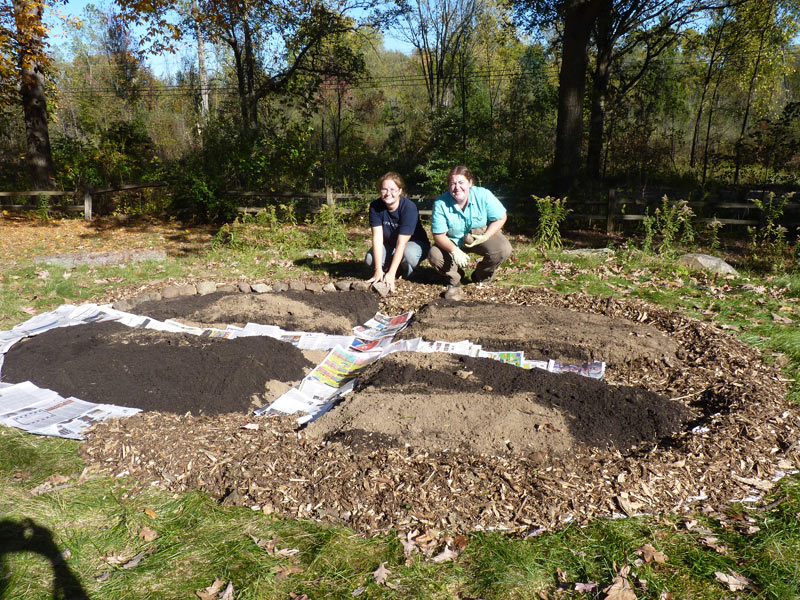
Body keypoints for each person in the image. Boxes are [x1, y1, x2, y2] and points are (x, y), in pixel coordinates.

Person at [429, 165, 512, 300]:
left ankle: (480, 277)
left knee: (503, 249)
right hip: (453, 240)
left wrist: (486, 235)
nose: (457, 187)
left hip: (478, 235)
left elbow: (501, 217)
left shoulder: (483, 195)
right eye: (452, 183)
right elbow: (438, 235)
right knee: (435, 255)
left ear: (470, 183)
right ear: (448, 186)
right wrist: (454, 250)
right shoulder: (440, 203)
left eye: (461, 182)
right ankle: (455, 278)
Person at [365, 172, 430, 292]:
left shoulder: (409, 208)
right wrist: (377, 269)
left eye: (393, 189)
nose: (388, 193)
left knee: (408, 254)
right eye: (384, 189)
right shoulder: (375, 206)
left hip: (413, 244)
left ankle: (405, 272)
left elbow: (402, 243)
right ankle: (386, 271)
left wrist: (391, 273)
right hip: (391, 244)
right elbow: (377, 239)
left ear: (400, 191)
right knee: (370, 259)